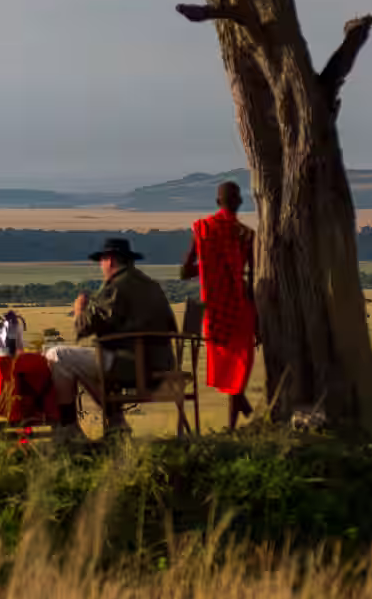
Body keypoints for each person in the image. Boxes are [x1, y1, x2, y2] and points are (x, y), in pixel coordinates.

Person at [48, 237, 180, 436]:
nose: (102, 266)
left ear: (110, 260)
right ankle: (117, 422)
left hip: (131, 364)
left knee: (58, 355)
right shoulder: (151, 285)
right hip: (162, 363)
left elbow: (86, 327)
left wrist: (79, 309)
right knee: (87, 363)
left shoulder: (116, 286)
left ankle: (68, 429)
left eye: (102, 261)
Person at [180, 179, 259, 428]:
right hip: (240, 308)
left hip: (215, 309)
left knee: (226, 365)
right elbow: (252, 278)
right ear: (240, 202)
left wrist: (206, 266)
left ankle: (236, 418)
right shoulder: (247, 235)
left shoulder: (204, 230)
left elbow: (184, 272)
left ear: (217, 202)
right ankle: (233, 423)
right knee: (240, 366)